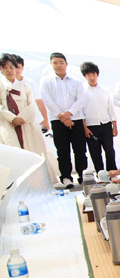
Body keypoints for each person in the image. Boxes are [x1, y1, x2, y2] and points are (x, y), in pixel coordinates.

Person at [0, 53, 59, 183]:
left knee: (34, 152)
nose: (9, 70)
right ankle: (16, 184)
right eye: (5, 67)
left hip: (27, 125)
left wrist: (21, 118)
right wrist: (12, 118)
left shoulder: (25, 86)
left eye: (11, 67)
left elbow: (32, 107)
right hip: (8, 126)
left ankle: (39, 183)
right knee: (13, 154)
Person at [40, 52, 87, 188]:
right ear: (51, 64)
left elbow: (81, 100)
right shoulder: (46, 81)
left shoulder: (76, 81)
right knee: (62, 150)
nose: (58, 65)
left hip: (75, 119)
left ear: (66, 64)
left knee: (80, 150)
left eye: (61, 62)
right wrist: (61, 116)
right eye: (55, 62)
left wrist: (69, 113)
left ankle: (83, 176)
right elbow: (47, 100)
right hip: (57, 121)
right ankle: (66, 177)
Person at [80, 62, 118, 172]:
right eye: (88, 75)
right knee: (95, 151)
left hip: (105, 124)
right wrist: (85, 128)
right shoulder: (82, 91)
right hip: (91, 126)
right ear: (84, 76)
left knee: (109, 149)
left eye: (94, 74)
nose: (92, 77)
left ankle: (112, 171)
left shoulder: (105, 90)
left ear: (97, 75)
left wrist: (114, 126)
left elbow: (111, 108)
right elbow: (80, 111)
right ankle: (100, 173)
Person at [13, 55, 50, 132]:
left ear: (22, 68)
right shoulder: (3, 84)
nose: (16, 70)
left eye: (18, 67)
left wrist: (45, 120)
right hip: (12, 121)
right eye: (13, 67)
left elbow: (39, 102)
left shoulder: (30, 83)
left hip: (30, 121)